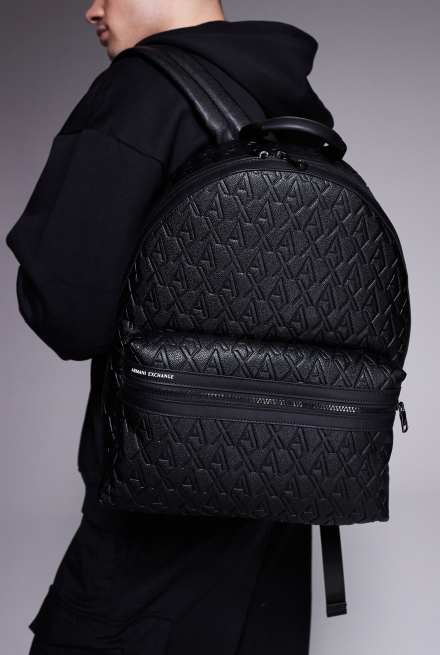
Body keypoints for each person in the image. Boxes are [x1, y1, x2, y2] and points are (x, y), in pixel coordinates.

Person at [6, 1, 335, 653]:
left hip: (158, 502)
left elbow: (68, 312)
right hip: (286, 488)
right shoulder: (289, 104)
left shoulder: (141, 90)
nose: (91, 9)